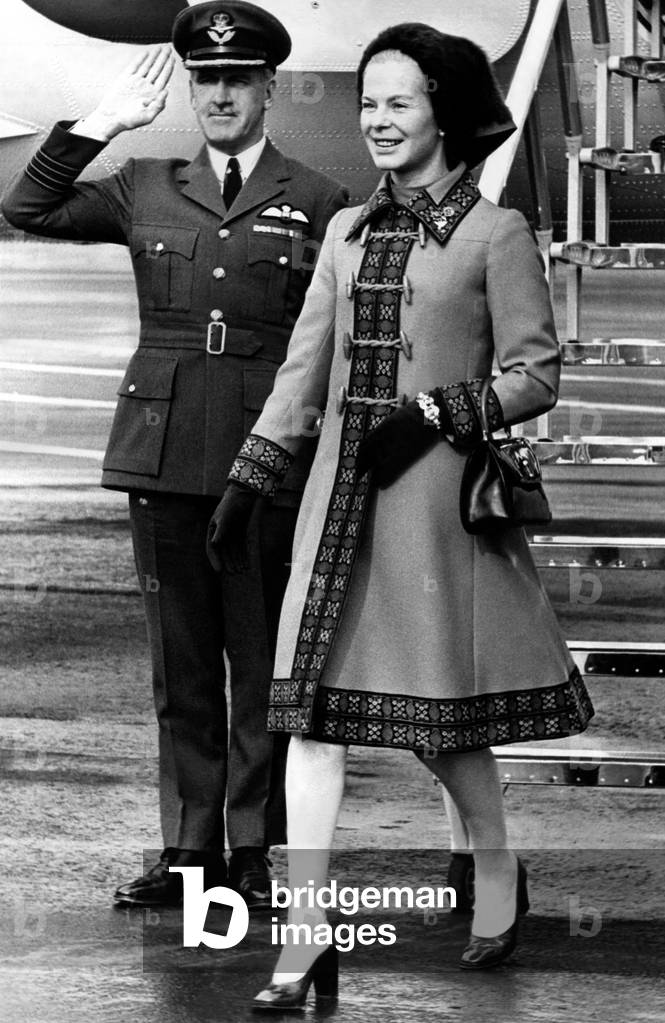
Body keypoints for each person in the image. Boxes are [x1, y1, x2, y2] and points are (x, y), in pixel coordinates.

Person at [208, 21, 595, 1006]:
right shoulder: (343, 233)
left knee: (440, 722)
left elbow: (534, 374)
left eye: (398, 102)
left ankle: (496, 866)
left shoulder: (493, 232)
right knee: (310, 722)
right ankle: (303, 941)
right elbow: (303, 372)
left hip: (429, 512)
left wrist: (436, 413)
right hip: (333, 513)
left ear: (444, 113)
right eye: (366, 102)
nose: (376, 120)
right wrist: (250, 475)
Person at [1, 0, 347, 910]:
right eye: (206, 79)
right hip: (161, 457)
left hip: (264, 457)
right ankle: (189, 850)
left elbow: (332, 347)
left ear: (269, 85)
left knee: (260, 658)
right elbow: (24, 205)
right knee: (182, 666)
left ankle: (251, 849)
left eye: (237, 78)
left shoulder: (318, 199)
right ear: (191, 88)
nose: (221, 93)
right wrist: (99, 126)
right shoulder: (145, 183)